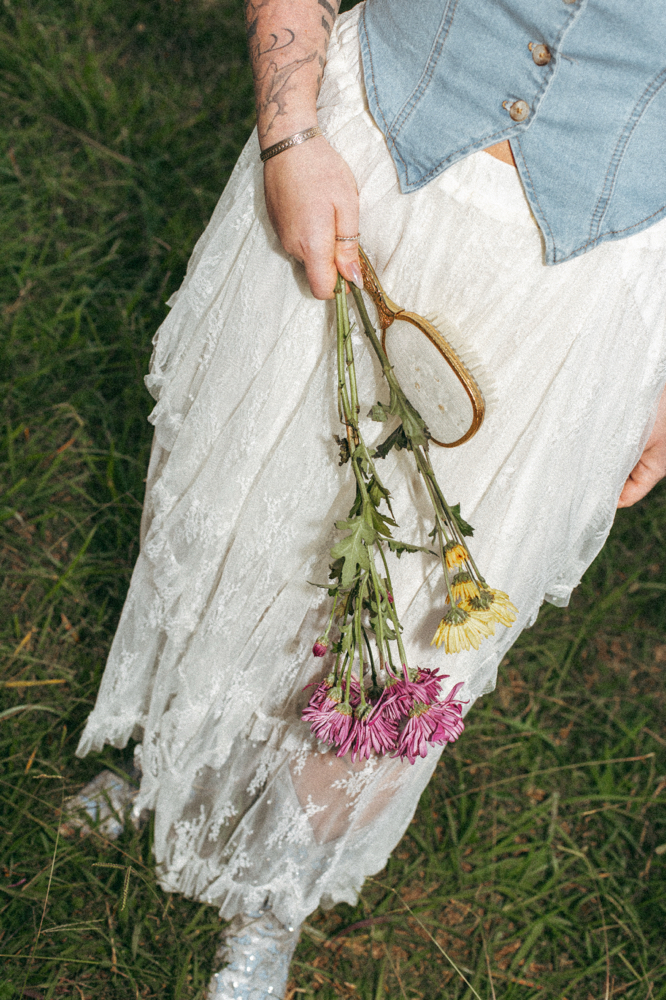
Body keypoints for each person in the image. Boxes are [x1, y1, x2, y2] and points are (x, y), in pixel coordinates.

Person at [72, 1, 666, 997]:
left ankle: (272, 895)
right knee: (249, 508)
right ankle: (173, 758)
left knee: (426, 618)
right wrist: (290, 136)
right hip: (364, 166)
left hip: (584, 276)